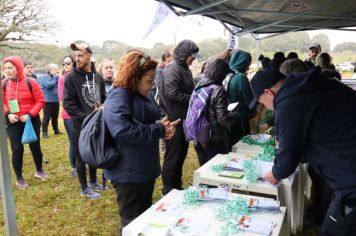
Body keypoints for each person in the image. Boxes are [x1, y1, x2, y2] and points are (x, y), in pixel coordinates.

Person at [249, 68, 356, 235]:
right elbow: (317, 134)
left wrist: (275, 173)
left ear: (268, 92)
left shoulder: (288, 102)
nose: (267, 108)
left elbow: (286, 161)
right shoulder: (307, 87)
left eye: (263, 102)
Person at [103, 50, 177, 233]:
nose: (151, 85)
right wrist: (158, 129)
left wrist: (165, 125)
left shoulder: (144, 94)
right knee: (131, 222)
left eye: (153, 81)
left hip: (144, 169)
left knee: (144, 218)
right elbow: (122, 130)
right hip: (128, 173)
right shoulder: (119, 95)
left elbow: (156, 115)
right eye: (149, 81)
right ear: (134, 77)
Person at [63, 42, 106, 199]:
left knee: (93, 153)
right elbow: (68, 103)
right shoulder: (71, 78)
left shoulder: (98, 77)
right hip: (80, 125)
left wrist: (103, 109)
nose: (77, 58)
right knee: (81, 157)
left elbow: (103, 98)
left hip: (97, 124)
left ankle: (94, 182)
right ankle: (84, 187)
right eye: (76, 55)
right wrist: (85, 117)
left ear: (89, 56)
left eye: (81, 55)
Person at [159, 39, 201, 195]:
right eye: (193, 56)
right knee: (173, 155)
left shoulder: (186, 69)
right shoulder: (172, 69)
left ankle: (176, 184)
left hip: (184, 119)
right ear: (185, 54)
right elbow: (172, 93)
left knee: (181, 154)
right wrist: (193, 99)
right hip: (173, 119)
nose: (194, 60)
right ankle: (168, 188)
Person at [1, 56, 48, 189]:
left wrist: (29, 114)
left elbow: (40, 100)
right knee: (16, 148)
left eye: (10, 67)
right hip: (13, 121)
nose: (7, 71)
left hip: (30, 120)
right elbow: (2, 102)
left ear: (18, 67)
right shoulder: (3, 83)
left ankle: (39, 170)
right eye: (5, 68)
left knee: (35, 145)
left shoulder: (31, 82)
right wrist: (8, 113)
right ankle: (19, 178)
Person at [194, 58, 236, 166]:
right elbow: (223, 120)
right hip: (215, 137)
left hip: (199, 135)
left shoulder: (199, 85)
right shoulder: (218, 90)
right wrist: (234, 114)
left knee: (203, 171)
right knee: (217, 170)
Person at [227, 50, 255, 146]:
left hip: (229, 116)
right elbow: (249, 100)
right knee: (243, 144)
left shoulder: (228, 74)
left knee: (234, 144)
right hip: (241, 116)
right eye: (248, 64)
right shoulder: (240, 77)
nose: (248, 68)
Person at [58, 55, 77, 177]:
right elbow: (62, 97)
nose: (66, 66)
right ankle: (74, 167)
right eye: (64, 64)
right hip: (69, 116)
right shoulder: (62, 79)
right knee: (73, 141)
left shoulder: (79, 77)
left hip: (82, 115)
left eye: (68, 63)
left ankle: (82, 162)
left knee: (82, 140)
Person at [40, 63, 61, 138]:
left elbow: (60, 85)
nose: (56, 70)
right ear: (50, 70)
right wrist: (55, 78)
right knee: (46, 117)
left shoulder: (57, 77)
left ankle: (56, 130)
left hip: (56, 100)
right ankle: (44, 133)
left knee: (55, 116)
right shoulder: (44, 77)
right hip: (47, 100)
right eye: (54, 69)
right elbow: (48, 85)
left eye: (56, 69)